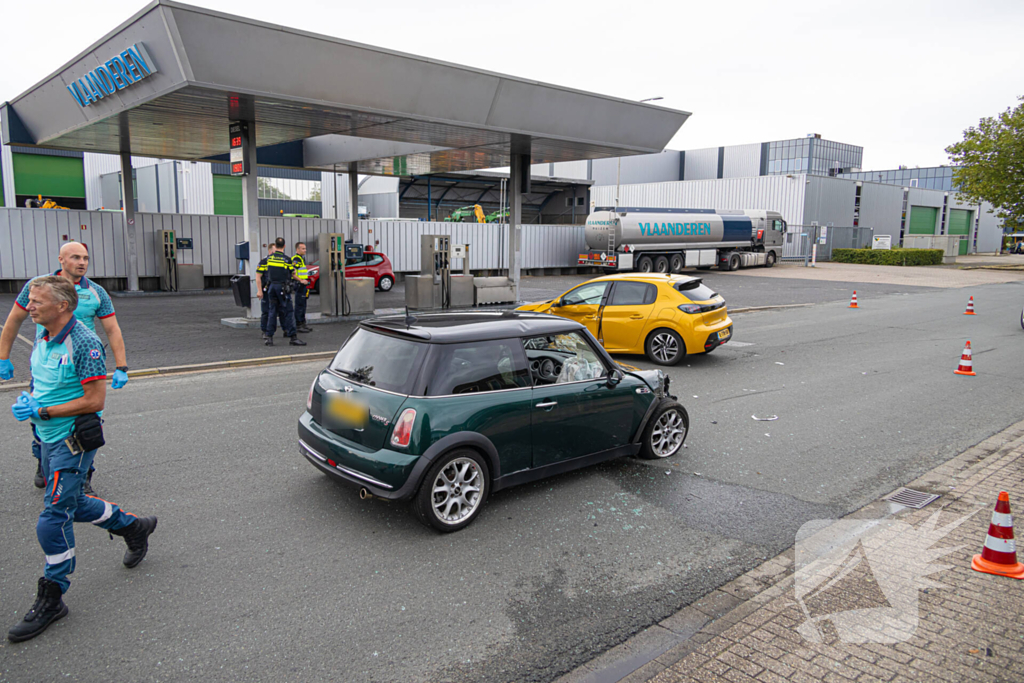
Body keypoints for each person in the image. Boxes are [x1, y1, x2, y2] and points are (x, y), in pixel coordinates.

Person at [7, 276, 156, 643]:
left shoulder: (84, 342)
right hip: (46, 437)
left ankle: (52, 595)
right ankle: (132, 527)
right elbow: (43, 380)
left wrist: (43, 410)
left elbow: (95, 401)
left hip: (72, 442)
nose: (31, 307)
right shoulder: (43, 335)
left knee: (53, 518)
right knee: (72, 503)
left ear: (62, 306)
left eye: (38, 302)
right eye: (31, 301)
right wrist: (30, 400)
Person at [0, 242, 129, 496]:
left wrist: (122, 366)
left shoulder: (96, 293)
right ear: (61, 259)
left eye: (85, 258)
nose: (81, 262)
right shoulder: (38, 287)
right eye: (75, 257)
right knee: (40, 417)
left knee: (87, 421)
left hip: (84, 365)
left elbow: (112, 329)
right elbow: (14, 319)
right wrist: (3, 357)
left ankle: (82, 475)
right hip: (47, 367)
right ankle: (44, 460)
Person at [262, 237, 306, 347]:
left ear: (275, 246)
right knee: (288, 312)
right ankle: (292, 337)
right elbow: (292, 273)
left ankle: (269, 337)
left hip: (271, 287)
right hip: (282, 288)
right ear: (284, 246)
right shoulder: (286, 260)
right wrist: (301, 280)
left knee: (272, 312)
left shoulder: (269, 259)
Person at [254, 242, 277, 339]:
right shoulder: (263, 262)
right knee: (266, 311)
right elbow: (258, 277)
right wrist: (259, 291)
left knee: (281, 311)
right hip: (267, 289)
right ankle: (264, 330)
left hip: (277, 289)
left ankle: (285, 330)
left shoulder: (279, 261)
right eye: (276, 251)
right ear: (270, 251)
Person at [291, 241, 312, 334]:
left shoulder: (301, 258)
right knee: (299, 305)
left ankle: (303, 323)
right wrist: (300, 280)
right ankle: (299, 324)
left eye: (305, 248)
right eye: (303, 248)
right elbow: (292, 273)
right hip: (299, 285)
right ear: (297, 249)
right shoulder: (296, 259)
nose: (305, 250)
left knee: (303, 305)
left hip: (303, 285)